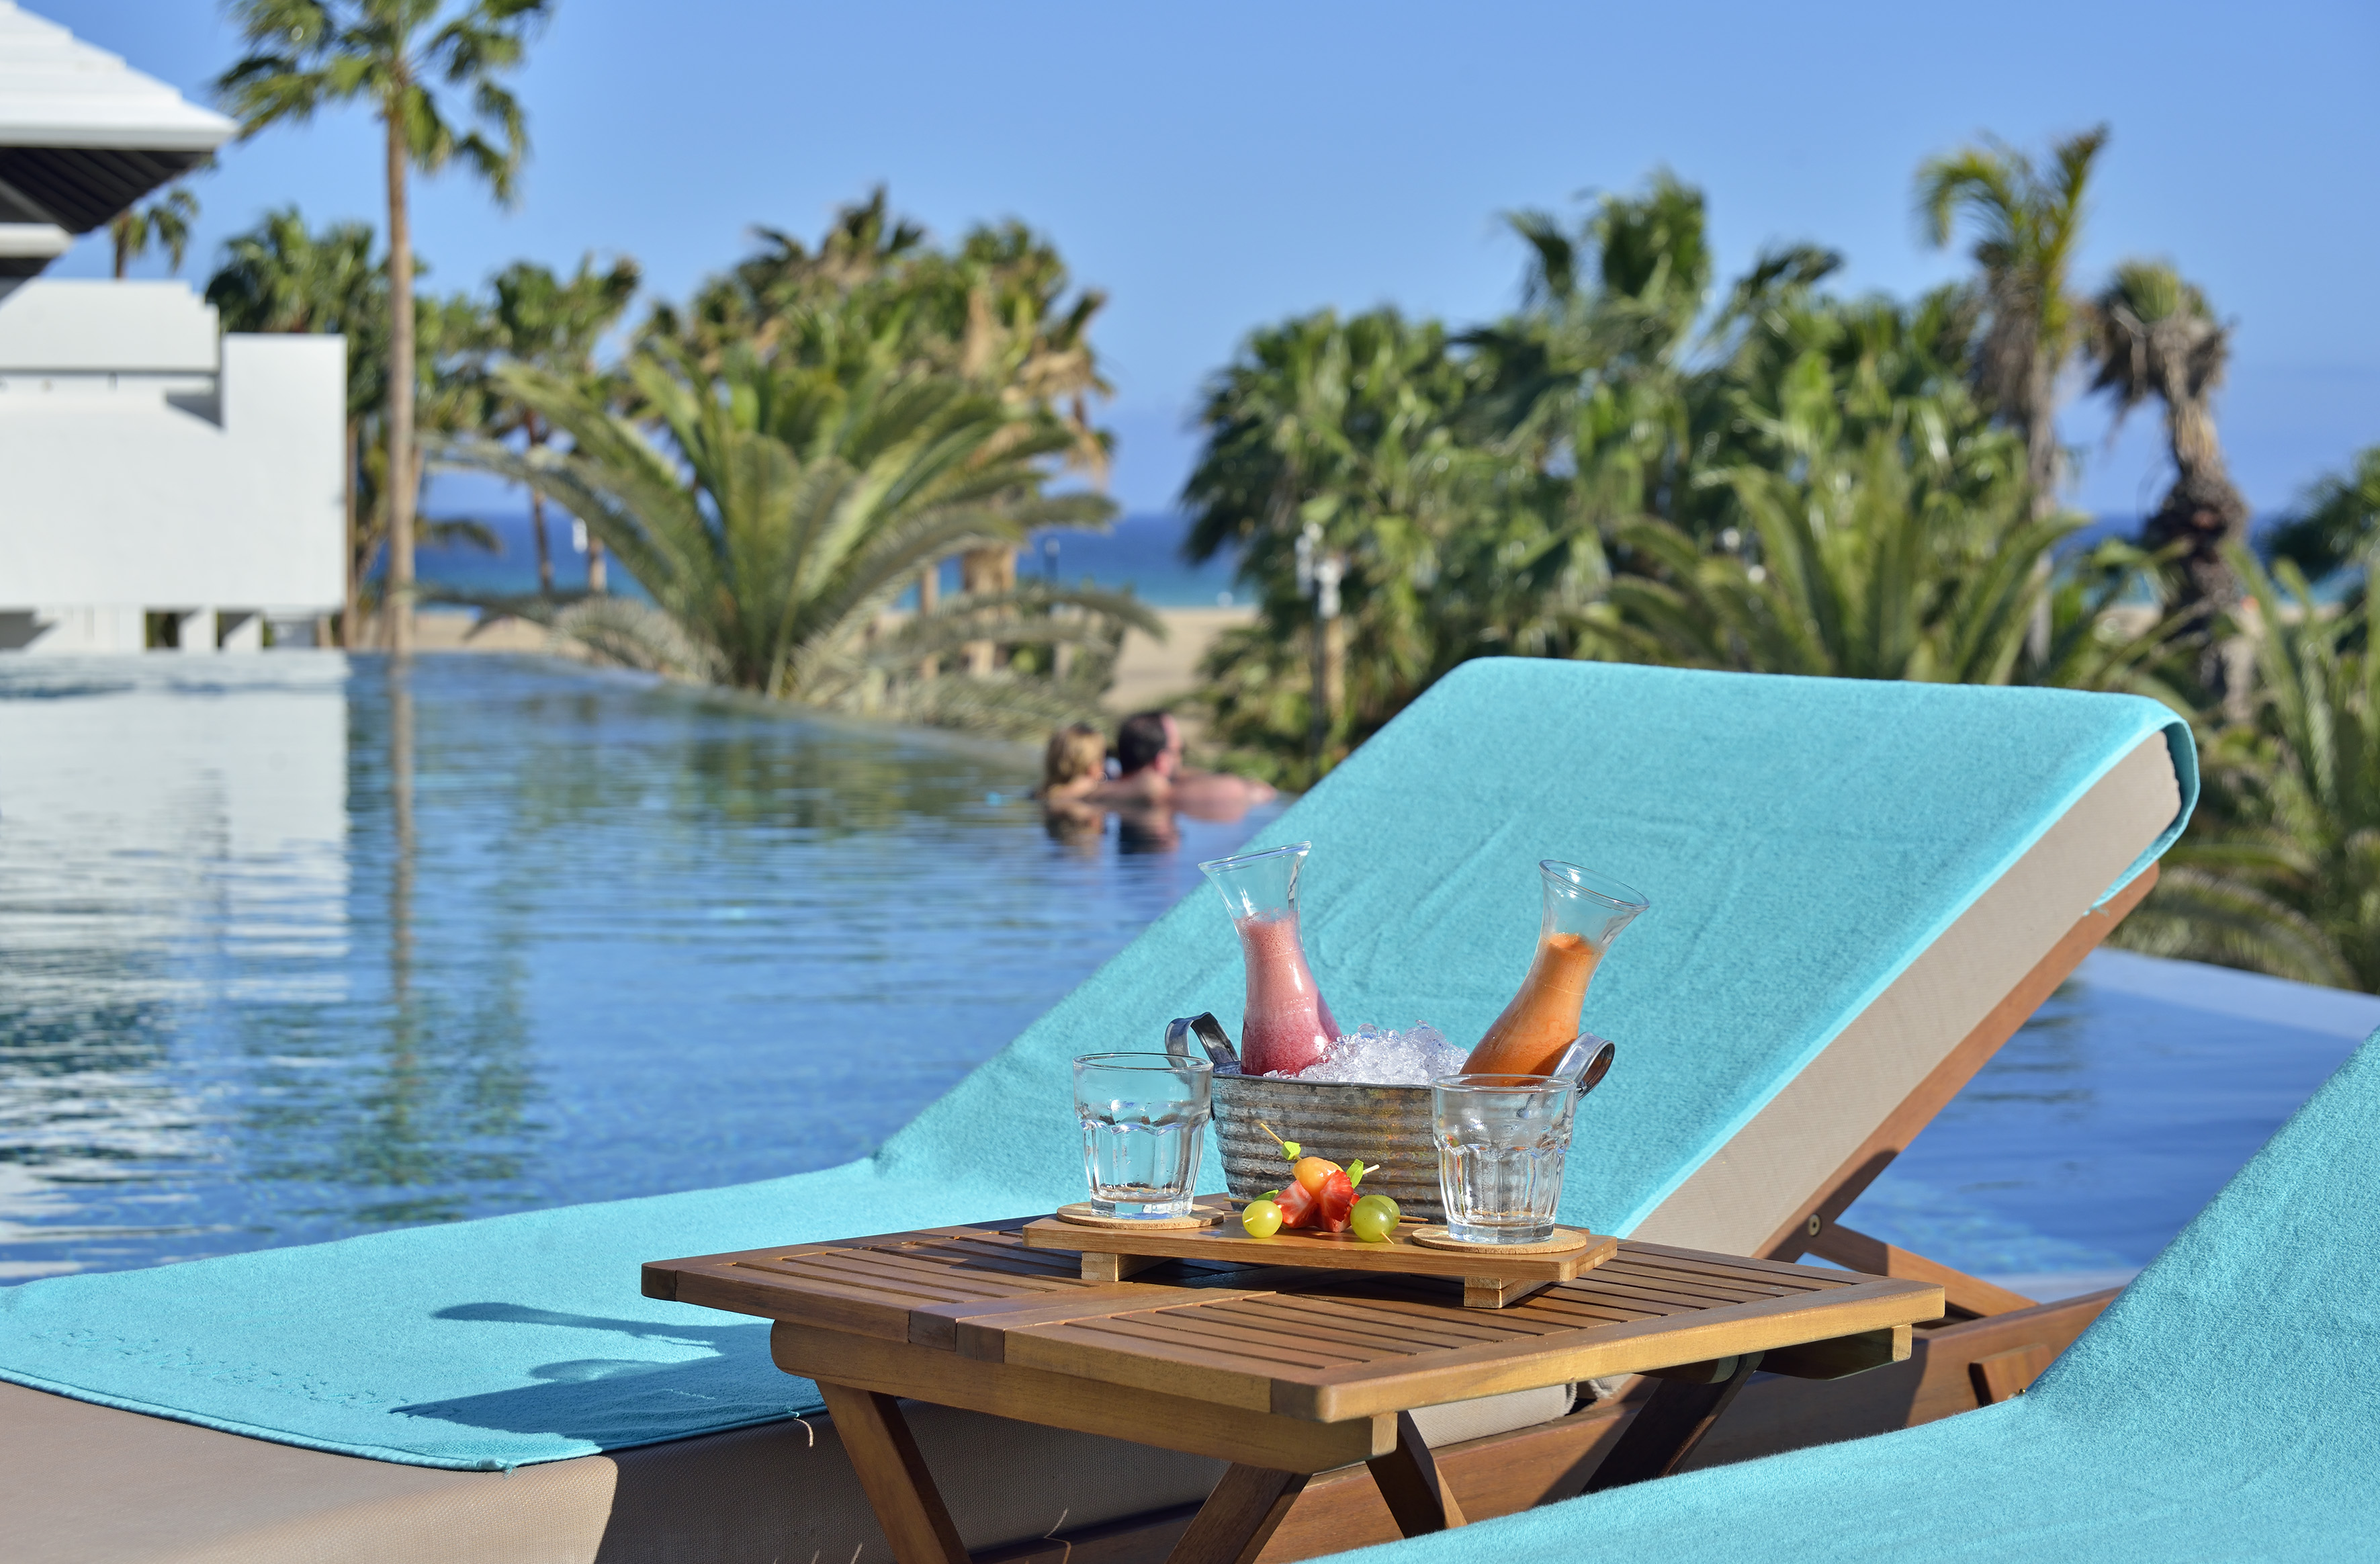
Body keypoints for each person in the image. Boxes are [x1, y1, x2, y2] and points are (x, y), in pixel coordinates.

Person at [1086, 710, 1274, 820]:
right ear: (1162, 760)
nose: (1181, 759)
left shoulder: (1099, 784)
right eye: (1179, 751)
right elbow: (1251, 792)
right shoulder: (1153, 788)